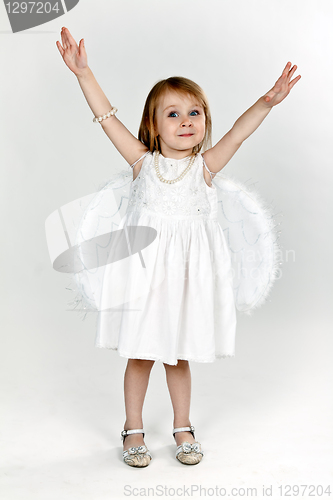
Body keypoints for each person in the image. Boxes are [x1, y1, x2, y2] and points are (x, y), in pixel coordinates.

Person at [56, 26, 301, 468]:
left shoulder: (205, 168)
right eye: (172, 114)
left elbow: (238, 135)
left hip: (186, 278)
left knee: (179, 355)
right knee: (141, 353)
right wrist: (83, 74)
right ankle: (133, 428)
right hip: (144, 277)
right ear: (152, 125)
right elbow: (106, 117)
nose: (186, 121)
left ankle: (182, 425)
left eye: (194, 113)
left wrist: (266, 102)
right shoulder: (142, 163)